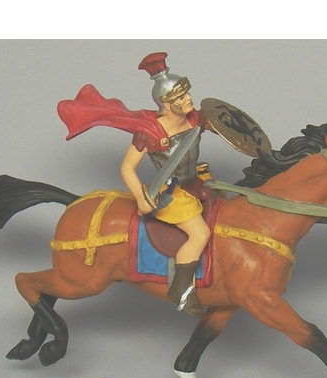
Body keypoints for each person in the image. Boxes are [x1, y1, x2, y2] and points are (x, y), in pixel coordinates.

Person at [57, 52, 213, 317]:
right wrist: (141, 198)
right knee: (200, 234)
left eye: (187, 93)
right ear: (166, 103)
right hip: (173, 192)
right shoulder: (150, 132)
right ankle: (181, 290)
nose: (188, 99)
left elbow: (228, 125)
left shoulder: (195, 119)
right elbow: (127, 168)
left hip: (196, 181)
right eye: (180, 97)